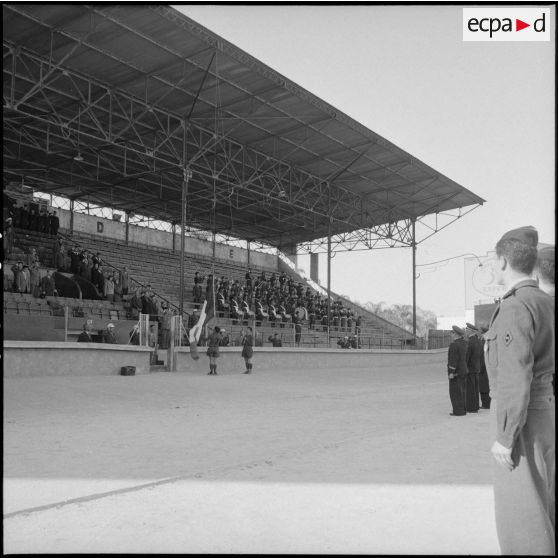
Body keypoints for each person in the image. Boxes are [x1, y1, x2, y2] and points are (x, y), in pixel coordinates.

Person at [484, 226, 554, 555]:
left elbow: (515, 375)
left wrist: (506, 435)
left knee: (522, 515)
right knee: (545, 502)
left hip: (523, 419)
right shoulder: (544, 301)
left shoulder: (515, 306)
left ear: (503, 263)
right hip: (544, 411)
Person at [447, 325, 468, 416]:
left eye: (452, 333)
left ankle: (458, 411)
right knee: (462, 391)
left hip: (456, 373)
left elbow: (453, 360)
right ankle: (463, 409)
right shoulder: (464, 343)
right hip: (463, 370)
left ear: (455, 334)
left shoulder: (454, 345)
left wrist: (451, 372)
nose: (451, 335)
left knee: (455, 392)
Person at [465, 322, 481, 413]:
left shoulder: (470, 342)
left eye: (466, 329)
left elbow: (467, 357)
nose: (465, 331)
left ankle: (471, 407)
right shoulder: (478, 341)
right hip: (476, 367)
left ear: (470, 330)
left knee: (470, 389)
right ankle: (476, 406)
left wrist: (465, 367)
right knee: (475, 388)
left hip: (470, 368)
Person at [478, 326, 491, 409]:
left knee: (484, 386)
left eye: (480, 331)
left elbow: (483, 357)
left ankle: (486, 404)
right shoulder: (484, 341)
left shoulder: (485, 342)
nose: (478, 333)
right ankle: (486, 403)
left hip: (484, 368)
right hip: (485, 367)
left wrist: (480, 368)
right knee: (484, 385)